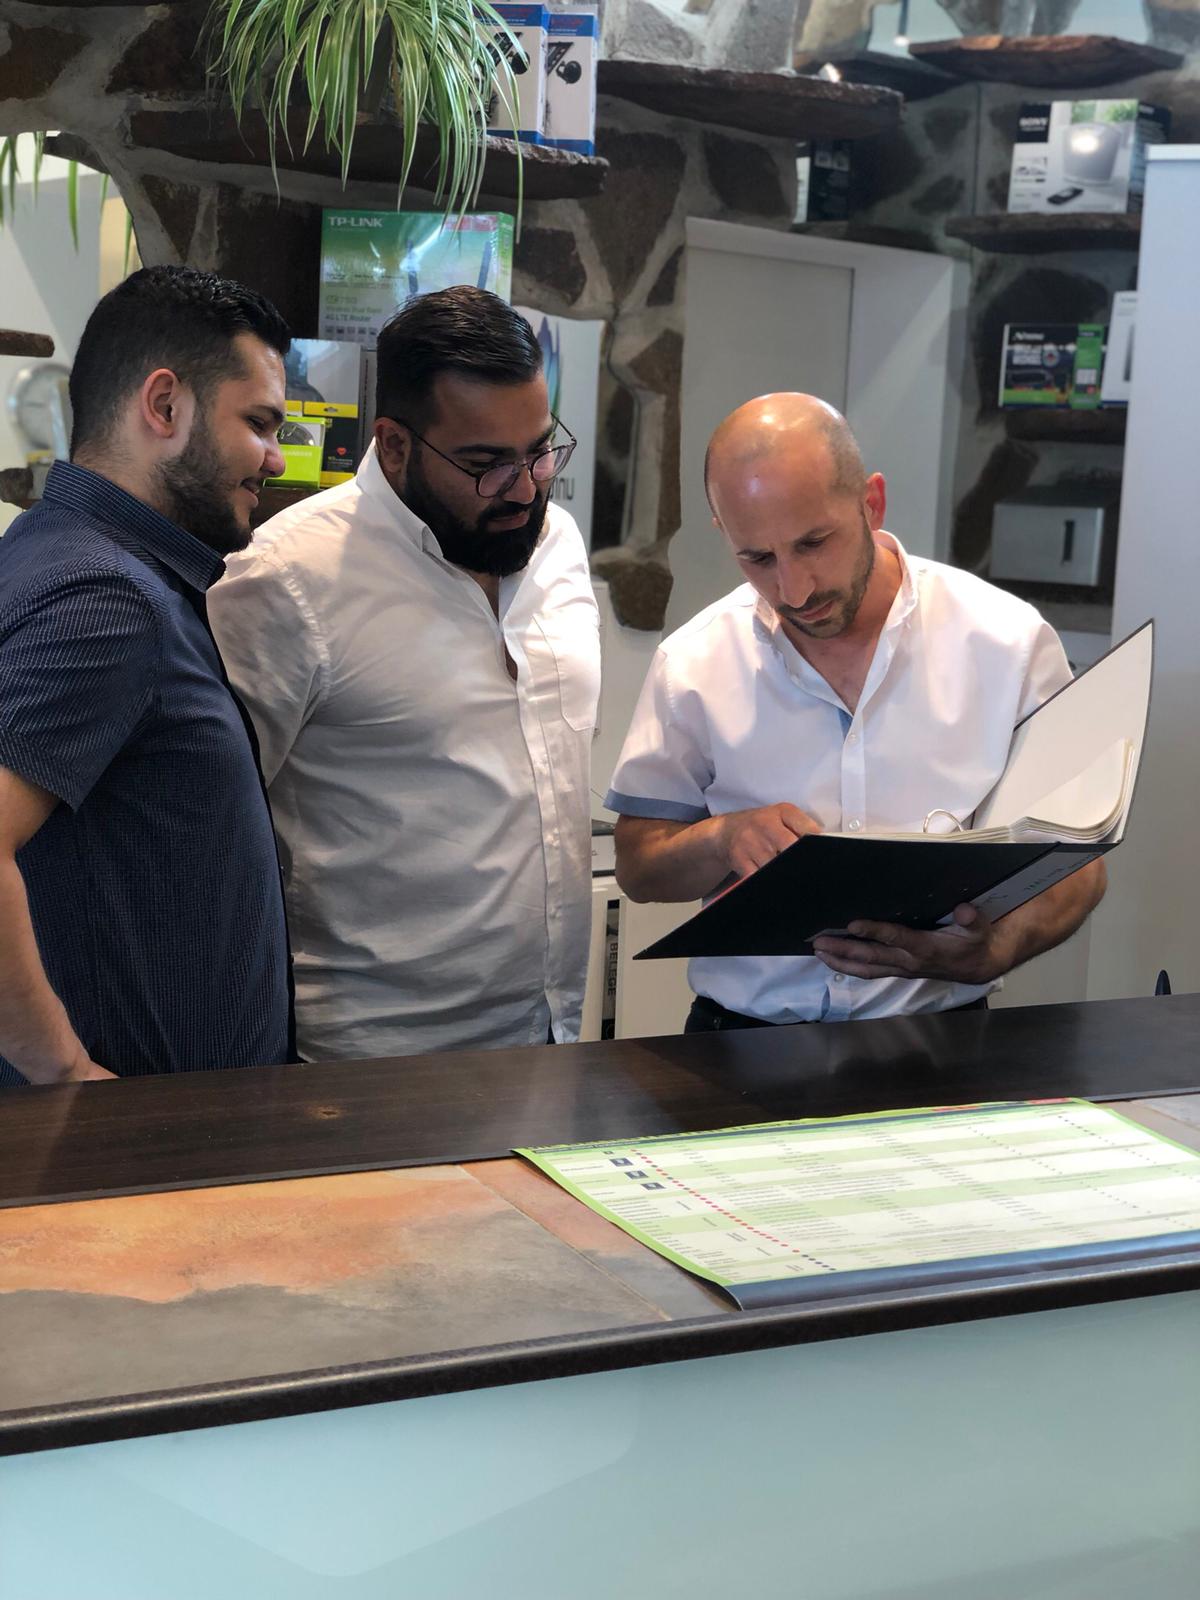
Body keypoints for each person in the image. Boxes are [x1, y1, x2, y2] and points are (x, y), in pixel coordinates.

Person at [607, 393, 1106, 1031]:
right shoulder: (694, 662)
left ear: (872, 503)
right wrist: (721, 838)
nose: (794, 590)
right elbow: (638, 865)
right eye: (758, 558)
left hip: (945, 1037)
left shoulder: (1007, 643)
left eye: (814, 543)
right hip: (737, 1044)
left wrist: (998, 948)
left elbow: (1079, 862)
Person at [208, 286, 600, 1061]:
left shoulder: (556, 543)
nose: (526, 488)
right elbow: (212, 839)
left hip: (549, 1038)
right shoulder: (287, 581)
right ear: (393, 446)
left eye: (540, 450)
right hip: (370, 1062)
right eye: (486, 464)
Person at [0, 266, 294, 1086]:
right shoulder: (108, 596)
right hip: (131, 1141)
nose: (276, 459)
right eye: (259, 423)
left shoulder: (44, 549)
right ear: (164, 405)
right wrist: (61, 1069)